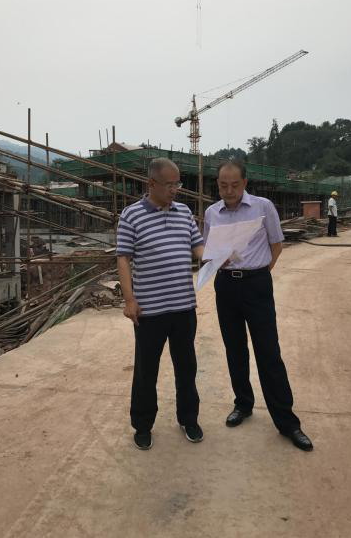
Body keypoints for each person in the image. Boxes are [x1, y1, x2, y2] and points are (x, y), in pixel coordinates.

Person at [204, 159, 313, 451]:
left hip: (256, 284)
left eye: (234, 185)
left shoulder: (263, 207)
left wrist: (262, 272)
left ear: (245, 183)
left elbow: (276, 244)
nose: (229, 191)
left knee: (268, 352)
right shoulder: (212, 213)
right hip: (226, 286)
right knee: (234, 348)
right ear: (218, 185)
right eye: (223, 186)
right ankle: (243, 403)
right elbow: (209, 250)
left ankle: (287, 422)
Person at [117, 158, 205, 450]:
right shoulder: (131, 215)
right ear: (152, 184)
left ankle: (188, 419)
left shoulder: (184, 212)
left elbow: (197, 246)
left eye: (177, 183)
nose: (175, 189)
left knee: (186, 367)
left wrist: (215, 255)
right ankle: (143, 425)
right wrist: (130, 300)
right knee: (146, 371)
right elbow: (123, 258)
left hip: (183, 307)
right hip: (150, 311)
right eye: (170, 184)